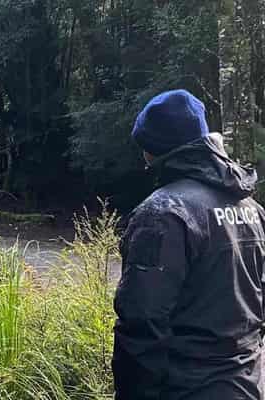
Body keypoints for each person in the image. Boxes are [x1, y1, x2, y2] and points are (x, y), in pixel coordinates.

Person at [112, 89, 265, 400]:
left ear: (152, 151)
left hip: (187, 389)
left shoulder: (163, 214)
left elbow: (142, 324)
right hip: (250, 384)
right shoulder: (251, 208)